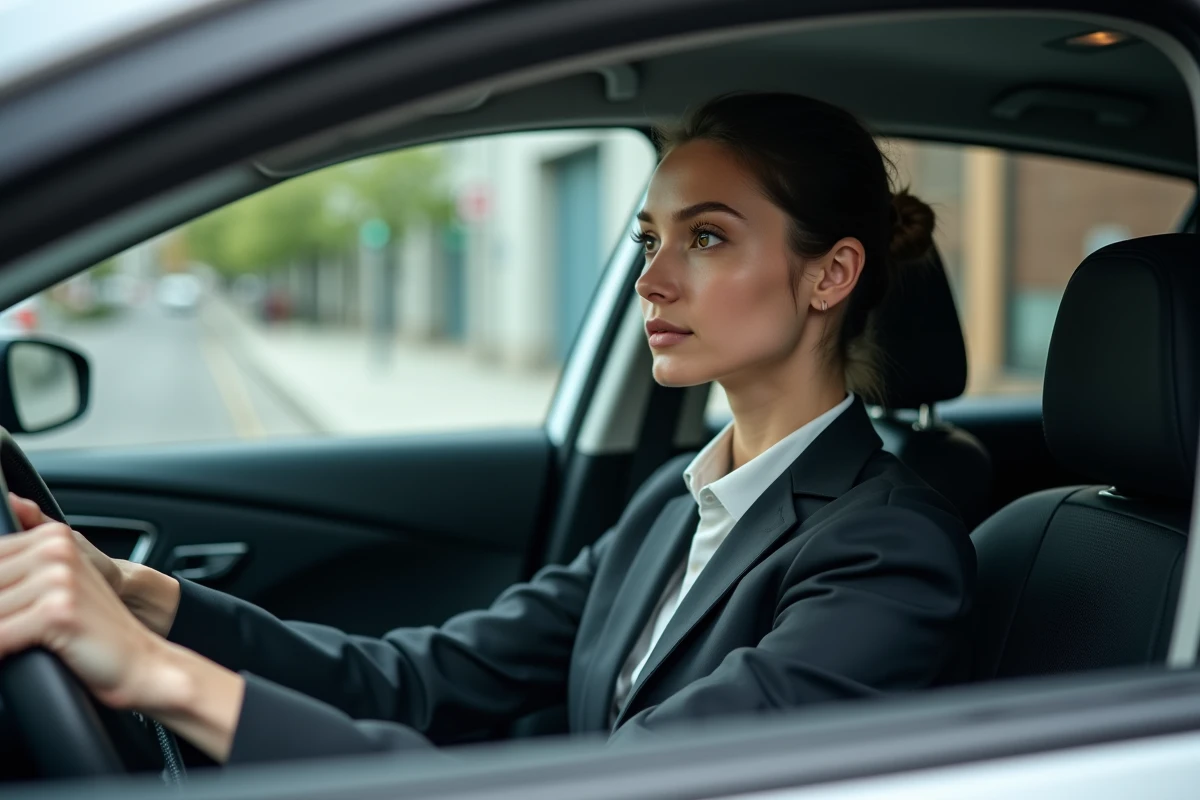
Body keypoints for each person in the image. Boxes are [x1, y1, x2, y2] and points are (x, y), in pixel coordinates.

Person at [0, 92, 975, 765]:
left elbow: (635, 780)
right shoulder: (672, 503)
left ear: (830, 274)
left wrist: (156, 679)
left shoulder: (888, 547)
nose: (651, 279)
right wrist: (144, 600)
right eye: (649, 239)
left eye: (706, 236)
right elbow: (417, 679)